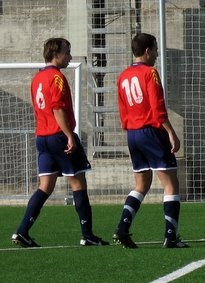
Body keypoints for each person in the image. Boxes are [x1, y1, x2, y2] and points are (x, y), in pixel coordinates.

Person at [10, 38, 108, 248]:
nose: (70, 57)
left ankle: (22, 231)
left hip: (42, 137)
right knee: (78, 183)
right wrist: (70, 135)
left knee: (45, 187)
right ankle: (87, 234)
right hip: (58, 136)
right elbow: (57, 109)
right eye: (67, 52)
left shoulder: (37, 78)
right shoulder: (56, 78)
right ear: (56, 53)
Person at [111, 33, 187, 249]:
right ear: (147, 51)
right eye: (155, 49)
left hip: (133, 133)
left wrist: (130, 128)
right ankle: (170, 236)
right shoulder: (150, 73)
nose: (155, 54)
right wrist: (170, 132)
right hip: (151, 131)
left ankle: (122, 229)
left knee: (141, 184)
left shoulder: (123, 75)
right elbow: (157, 107)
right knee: (171, 183)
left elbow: (122, 108)